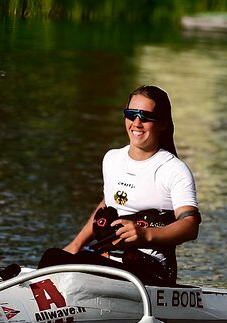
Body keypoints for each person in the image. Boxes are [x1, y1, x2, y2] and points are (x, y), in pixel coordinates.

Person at [36, 85, 201, 286]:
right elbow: (108, 203)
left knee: (82, 263)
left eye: (146, 116)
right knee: (53, 257)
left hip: (151, 270)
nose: (137, 123)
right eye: (131, 114)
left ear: (163, 123)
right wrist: (75, 245)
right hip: (107, 259)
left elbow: (190, 226)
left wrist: (145, 235)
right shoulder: (112, 159)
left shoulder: (173, 169)